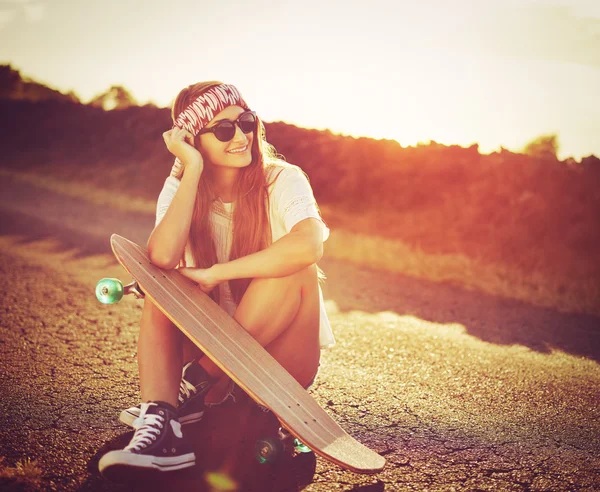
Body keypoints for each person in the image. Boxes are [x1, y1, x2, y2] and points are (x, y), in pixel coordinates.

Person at [98, 81, 335, 478]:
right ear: (194, 141)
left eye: (245, 122)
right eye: (223, 130)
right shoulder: (182, 184)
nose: (241, 136)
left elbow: (309, 246)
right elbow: (161, 256)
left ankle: (191, 390)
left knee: (296, 267)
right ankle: (164, 429)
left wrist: (215, 274)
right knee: (161, 280)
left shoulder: (282, 178)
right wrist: (190, 170)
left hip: (278, 361)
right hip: (210, 348)